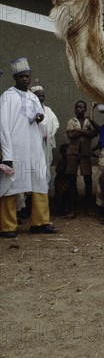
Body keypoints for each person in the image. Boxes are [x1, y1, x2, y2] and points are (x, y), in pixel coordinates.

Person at [0, 57, 56, 237]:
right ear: (15, 77)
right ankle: (8, 226)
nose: (25, 79)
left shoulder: (33, 97)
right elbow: (3, 126)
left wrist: (39, 119)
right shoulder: (7, 96)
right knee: (11, 185)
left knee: (39, 182)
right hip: (16, 149)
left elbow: (41, 120)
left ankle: (39, 223)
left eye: (27, 76)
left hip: (34, 149)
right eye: (21, 76)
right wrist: (7, 154)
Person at [65, 100, 97, 215]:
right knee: (72, 180)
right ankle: (72, 207)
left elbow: (94, 134)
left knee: (87, 179)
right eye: (77, 107)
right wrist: (86, 132)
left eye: (81, 108)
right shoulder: (71, 121)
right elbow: (71, 135)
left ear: (85, 109)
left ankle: (88, 206)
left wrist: (78, 130)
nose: (78, 109)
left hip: (85, 154)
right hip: (72, 153)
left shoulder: (89, 121)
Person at [30, 85, 59, 185]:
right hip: (33, 144)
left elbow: (55, 124)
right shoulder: (29, 110)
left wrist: (48, 135)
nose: (41, 98)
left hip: (45, 144)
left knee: (45, 166)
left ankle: (43, 193)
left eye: (42, 96)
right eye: (38, 96)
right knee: (33, 167)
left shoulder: (48, 110)